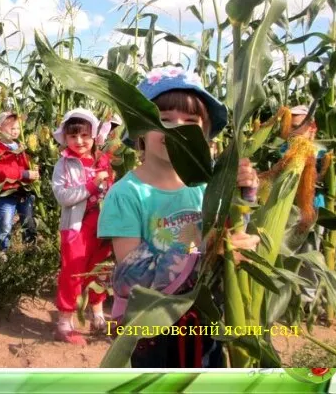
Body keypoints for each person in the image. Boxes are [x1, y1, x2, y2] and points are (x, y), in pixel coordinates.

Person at [98, 66, 259, 367]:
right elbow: (132, 277)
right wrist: (207, 246)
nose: (178, 129)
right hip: (154, 329)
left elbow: (236, 232)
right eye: (164, 119)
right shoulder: (125, 195)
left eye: (190, 121)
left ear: (206, 132)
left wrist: (244, 194)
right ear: (140, 129)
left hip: (209, 322)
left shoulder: (209, 186)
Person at [51, 108, 115, 346]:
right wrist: (90, 186)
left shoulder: (104, 161)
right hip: (76, 228)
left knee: (100, 270)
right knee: (74, 271)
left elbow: (113, 190)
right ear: (65, 138)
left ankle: (97, 314)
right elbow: (62, 196)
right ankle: (64, 322)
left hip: (103, 226)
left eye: (85, 136)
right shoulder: (63, 165)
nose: (79, 142)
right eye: (73, 136)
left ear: (94, 136)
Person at [0, 111, 39, 251]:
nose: (16, 131)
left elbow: (27, 165)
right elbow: (1, 171)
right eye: (12, 128)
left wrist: (33, 171)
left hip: (24, 191)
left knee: (28, 222)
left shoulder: (20, 146)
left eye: (17, 128)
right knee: (4, 223)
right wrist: (24, 173)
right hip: (5, 193)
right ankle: (1, 251)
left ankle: (30, 249)